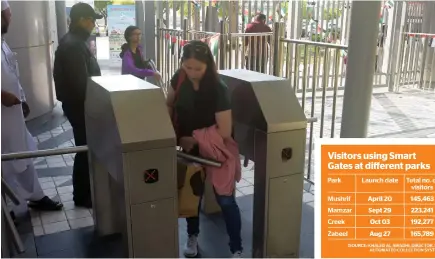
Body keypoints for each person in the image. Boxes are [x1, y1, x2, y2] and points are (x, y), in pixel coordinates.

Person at [166, 41, 243, 258]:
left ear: (208, 65)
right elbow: (169, 103)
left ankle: (236, 248)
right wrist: (173, 133)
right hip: (190, 147)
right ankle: (193, 236)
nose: (192, 73)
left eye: (197, 68)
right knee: (193, 194)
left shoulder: (219, 88)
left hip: (218, 150)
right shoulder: (179, 78)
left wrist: (194, 138)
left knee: (226, 200)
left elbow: (225, 130)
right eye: (187, 67)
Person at [1, 0, 63, 214]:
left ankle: (35, 195)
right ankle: (9, 210)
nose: (10, 18)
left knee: (22, 153)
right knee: (6, 160)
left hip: (14, 115)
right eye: (6, 14)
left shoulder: (3, 43)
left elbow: (12, 75)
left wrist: (23, 98)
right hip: (2, 118)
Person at [53, 2, 102, 208]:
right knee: (84, 148)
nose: (93, 24)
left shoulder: (75, 41)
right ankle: (82, 195)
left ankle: (84, 191)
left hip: (79, 105)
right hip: (80, 106)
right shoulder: (73, 45)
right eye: (91, 20)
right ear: (81, 19)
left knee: (85, 147)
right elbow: (80, 85)